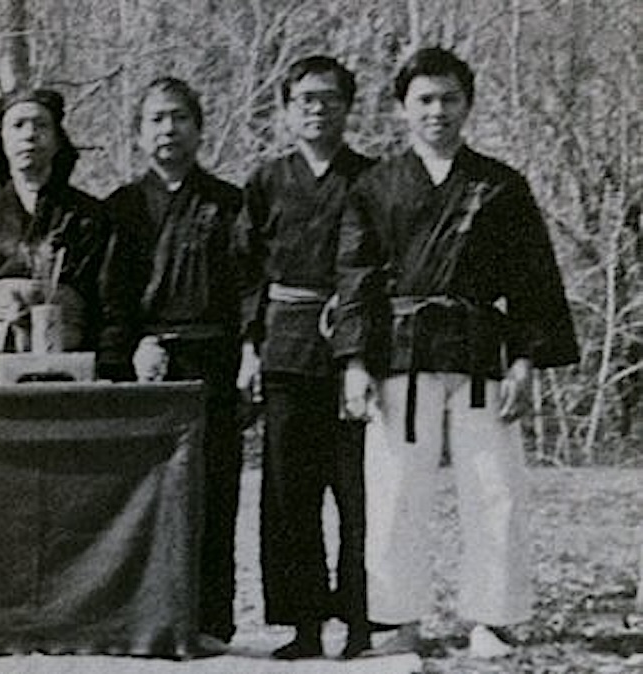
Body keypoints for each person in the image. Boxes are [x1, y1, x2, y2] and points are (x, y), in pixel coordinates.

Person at [333, 46, 578, 658]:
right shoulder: (376, 186)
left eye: (449, 99)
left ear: (467, 104)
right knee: (393, 494)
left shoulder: (500, 185)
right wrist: (356, 362)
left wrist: (525, 359)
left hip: (478, 354)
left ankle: (490, 618)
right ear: (402, 109)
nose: (437, 111)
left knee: (494, 490)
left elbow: (531, 279)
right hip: (400, 354)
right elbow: (356, 276)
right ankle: (400, 621)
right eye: (424, 100)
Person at [234, 56, 375, 660]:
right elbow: (243, 272)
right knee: (290, 496)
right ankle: (305, 624)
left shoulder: (374, 179)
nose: (317, 109)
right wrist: (248, 347)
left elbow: (378, 268)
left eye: (329, 98)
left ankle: (366, 621)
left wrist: (362, 349)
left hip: (355, 352)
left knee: (358, 494)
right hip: (285, 349)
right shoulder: (266, 181)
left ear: (348, 106)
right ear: (287, 110)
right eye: (305, 99)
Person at [101, 77, 243, 654]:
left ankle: (211, 620)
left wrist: (246, 356)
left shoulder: (228, 202)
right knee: (142, 497)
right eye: (156, 118)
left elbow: (245, 288)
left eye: (179, 117)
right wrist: (134, 346)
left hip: (212, 358)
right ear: (138, 133)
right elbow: (111, 296)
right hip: (146, 364)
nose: (168, 129)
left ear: (199, 127)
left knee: (214, 491)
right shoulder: (122, 207)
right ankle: (141, 617)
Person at [0, 88, 112, 382]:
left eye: (41, 125)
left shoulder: (89, 214)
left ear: (57, 139)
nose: (30, 134)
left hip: (71, 371)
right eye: (18, 125)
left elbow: (110, 300)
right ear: (2, 140)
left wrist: (104, 366)